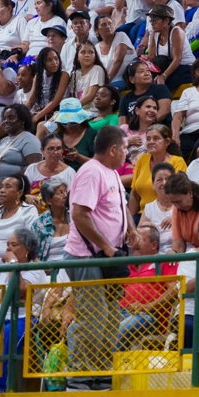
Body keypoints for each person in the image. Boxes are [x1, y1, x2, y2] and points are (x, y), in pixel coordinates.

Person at [64, 126, 130, 382]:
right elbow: (79, 214)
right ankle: (80, 379)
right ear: (113, 149)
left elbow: (122, 208)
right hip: (87, 256)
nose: (127, 153)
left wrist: (132, 231)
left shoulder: (111, 172)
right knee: (93, 319)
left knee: (111, 319)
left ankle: (100, 376)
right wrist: (106, 246)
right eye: (125, 148)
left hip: (107, 257)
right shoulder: (92, 171)